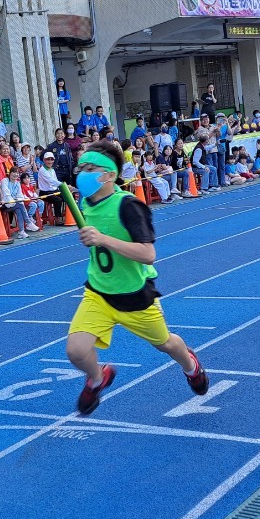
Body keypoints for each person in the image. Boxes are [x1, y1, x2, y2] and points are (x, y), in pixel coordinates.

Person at [63, 141, 209, 415]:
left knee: (166, 343)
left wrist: (102, 239)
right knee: (76, 351)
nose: (81, 174)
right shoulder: (85, 202)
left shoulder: (129, 206)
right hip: (99, 293)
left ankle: (191, 366)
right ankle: (97, 378)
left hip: (135, 296)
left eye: (89, 168)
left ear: (109, 175)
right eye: (81, 168)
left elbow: (148, 254)